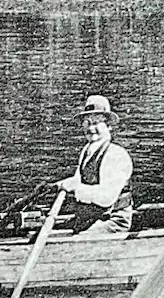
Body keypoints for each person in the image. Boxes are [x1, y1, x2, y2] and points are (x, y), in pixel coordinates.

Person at [57, 94, 133, 235]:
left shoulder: (115, 155)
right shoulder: (87, 150)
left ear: (109, 126)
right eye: (87, 122)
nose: (91, 128)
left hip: (113, 221)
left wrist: (76, 189)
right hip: (91, 217)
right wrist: (61, 185)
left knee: (77, 243)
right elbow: (78, 180)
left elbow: (106, 198)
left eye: (97, 122)